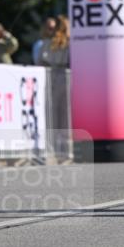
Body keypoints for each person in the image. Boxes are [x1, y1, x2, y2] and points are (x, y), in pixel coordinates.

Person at [36, 15, 71, 158]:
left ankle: (64, 146)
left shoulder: (67, 42)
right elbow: (40, 60)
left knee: (62, 112)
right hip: (53, 76)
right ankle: (56, 145)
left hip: (64, 75)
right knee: (54, 111)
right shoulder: (47, 43)